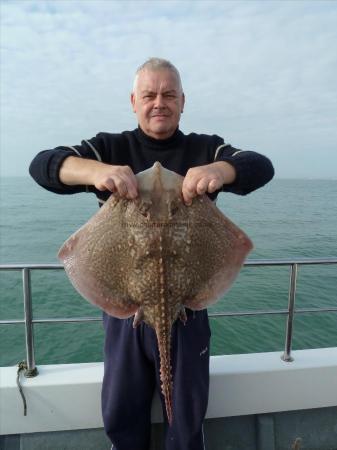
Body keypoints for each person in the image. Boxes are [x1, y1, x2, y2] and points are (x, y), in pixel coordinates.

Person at [29, 57, 274, 450]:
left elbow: (260, 166)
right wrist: (95, 172)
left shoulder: (205, 148)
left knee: (186, 412)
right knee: (122, 408)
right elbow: (42, 165)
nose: (159, 102)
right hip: (124, 305)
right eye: (149, 95)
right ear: (134, 101)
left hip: (188, 306)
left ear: (182, 101)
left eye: (169, 95)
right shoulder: (109, 147)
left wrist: (220, 172)